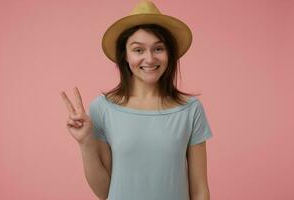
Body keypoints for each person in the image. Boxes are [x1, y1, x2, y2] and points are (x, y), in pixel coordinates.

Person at [60, 1, 213, 199]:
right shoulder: (103, 108)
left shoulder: (191, 110)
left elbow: (200, 190)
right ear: (125, 55)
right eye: (138, 50)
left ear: (170, 54)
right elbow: (104, 192)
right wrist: (85, 143)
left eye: (158, 49)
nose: (149, 59)